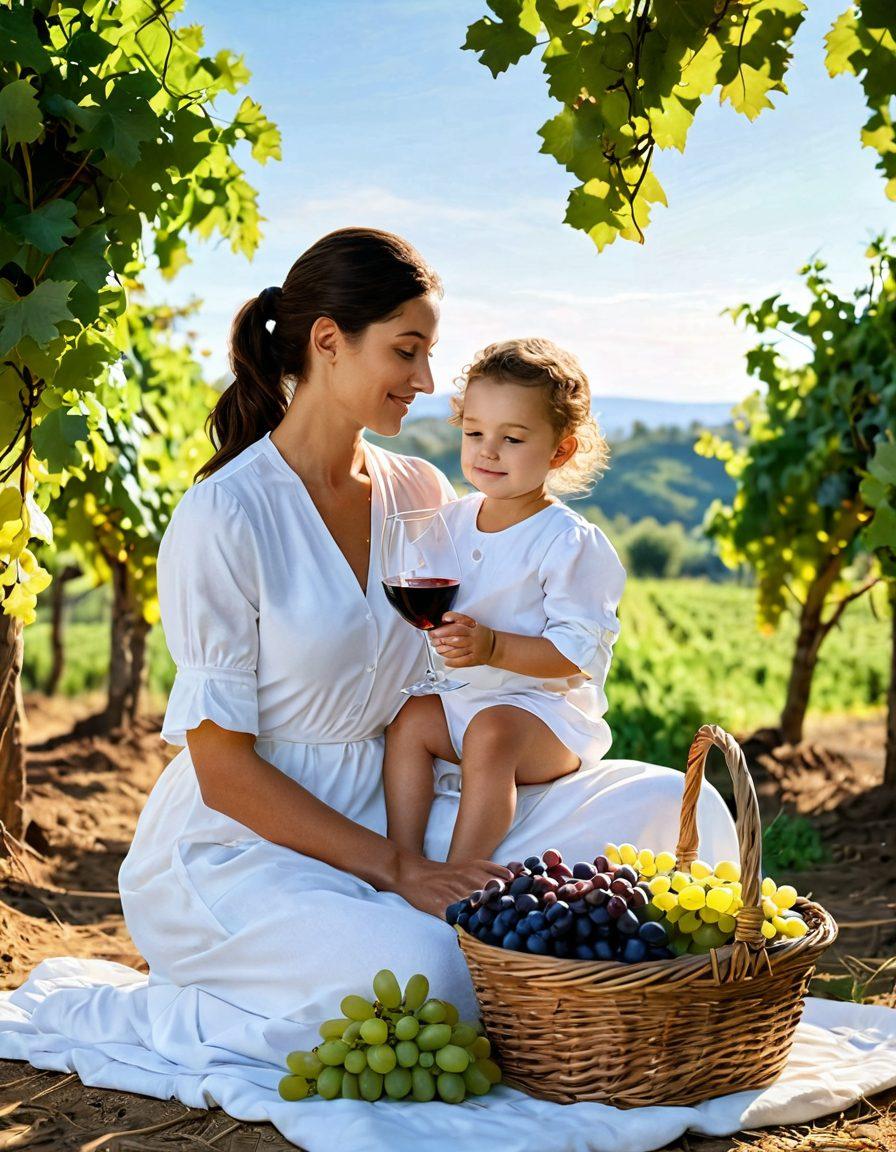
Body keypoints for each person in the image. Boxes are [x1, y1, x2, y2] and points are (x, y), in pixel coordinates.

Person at [0, 227, 740, 1109]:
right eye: (407, 350)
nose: (427, 380)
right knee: (434, 969)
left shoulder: (421, 492)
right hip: (254, 835)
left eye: (428, 352)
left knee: (665, 810)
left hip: (413, 787)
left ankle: (636, 1005)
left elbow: (511, 607)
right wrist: (399, 871)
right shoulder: (226, 515)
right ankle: (210, 995)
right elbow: (224, 771)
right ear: (326, 341)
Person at [383, 338, 625, 863]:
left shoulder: (567, 542)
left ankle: (460, 872)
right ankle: (401, 860)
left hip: (542, 720)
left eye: (512, 438)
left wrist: (492, 647)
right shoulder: (451, 520)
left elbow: (575, 657)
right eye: (474, 432)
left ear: (560, 451)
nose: (487, 450)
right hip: (462, 702)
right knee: (409, 721)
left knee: (491, 733)